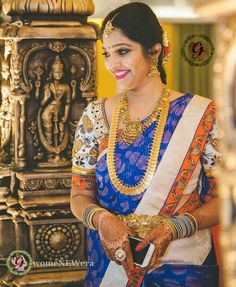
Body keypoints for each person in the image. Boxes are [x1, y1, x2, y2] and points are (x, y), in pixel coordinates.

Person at [70, 2, 220, 286]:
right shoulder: (95, 116)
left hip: (183, 268)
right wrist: (102, 220)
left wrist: (176, 227)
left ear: (155, 50)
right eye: (107, 53)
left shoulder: (203, 116)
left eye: (123, 51)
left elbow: (227, 199)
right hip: (110, 270)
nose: (113, 64)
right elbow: (79, 195)